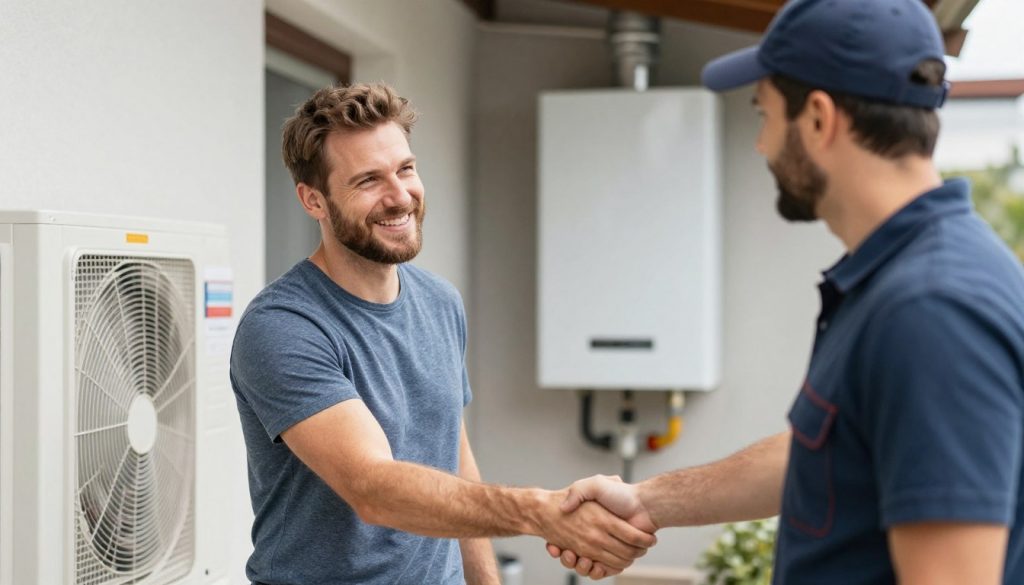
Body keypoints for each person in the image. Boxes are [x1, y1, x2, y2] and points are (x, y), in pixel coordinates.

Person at [548, 0, 1024, 583]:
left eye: (764, 114)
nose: (762, 145)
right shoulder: (897, 279)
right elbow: (828, 452)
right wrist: (649, 501)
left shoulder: (932, 308)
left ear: (820, 119)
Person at [230, 82, 656, 585]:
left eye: (405, 169)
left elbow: (454, 458)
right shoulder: (282, 327)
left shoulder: (439, 301)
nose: (399, 196)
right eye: (368, 180)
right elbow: (374, 488)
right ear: (314, 200)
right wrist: (541, 511)